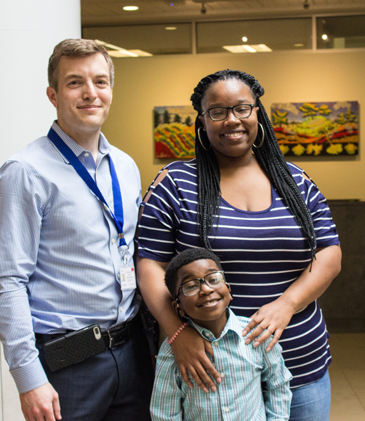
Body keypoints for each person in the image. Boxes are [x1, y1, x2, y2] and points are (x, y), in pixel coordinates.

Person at [137, 69, 341, 420]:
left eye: (242, 108)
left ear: (257, 113)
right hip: (214, 371)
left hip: (300, 363)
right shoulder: (175, 182)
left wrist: (287, 304)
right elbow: (149, 266)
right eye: (217, 111)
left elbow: (329, 254)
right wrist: (177, 333)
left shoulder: (295, 180)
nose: (231, 120)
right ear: (202, 122)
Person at [0, 39, 153, 421]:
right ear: (53, 94)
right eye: (75, 82)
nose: (90, 93)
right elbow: (8, 282)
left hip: (132, 352)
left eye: (100, 81)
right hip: (68, 363)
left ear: (111, 89)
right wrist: (29, 379)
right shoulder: (24, 173)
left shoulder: (125, 167)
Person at [150, 248, 292, 421]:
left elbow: (278, 385)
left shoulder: (257, 335)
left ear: (228, 289)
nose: (206, 289)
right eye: (191, 286)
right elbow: (164, 413)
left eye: (213, 279)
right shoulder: (172, 353)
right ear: (177, 307)